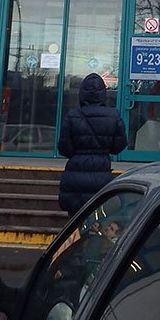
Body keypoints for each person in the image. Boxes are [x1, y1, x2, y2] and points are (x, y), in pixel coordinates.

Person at [57, 73, 127, 215]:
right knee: (99, 218)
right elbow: (119, 145)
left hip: (75, 178)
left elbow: (64, 148)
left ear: (82, 94)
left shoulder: (72, 116)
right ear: (103, 94)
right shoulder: (113, 116)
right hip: (101, 176)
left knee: (74, 221)